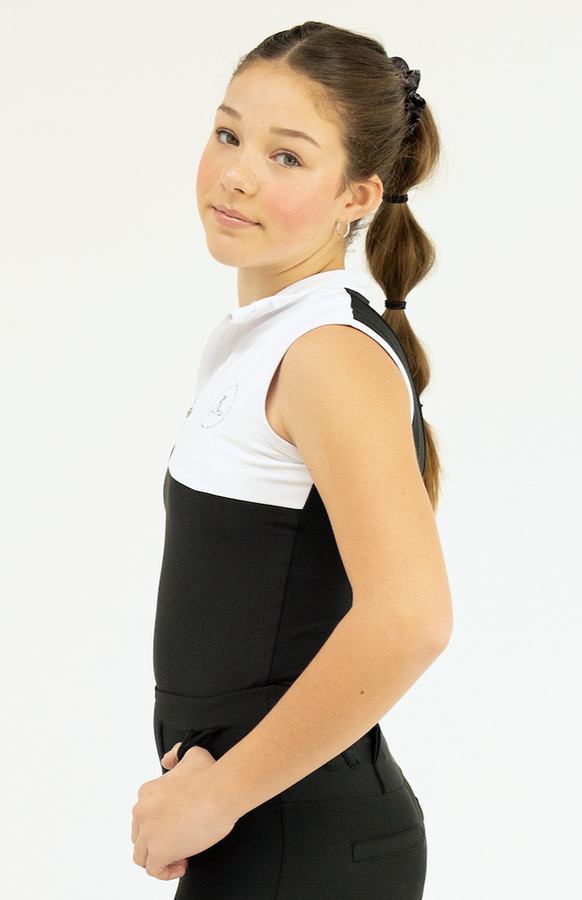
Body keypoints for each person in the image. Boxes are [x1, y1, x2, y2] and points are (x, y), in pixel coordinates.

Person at [131, 21, 453, 900]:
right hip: (267, 842)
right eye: (229, 134)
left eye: (288, 156)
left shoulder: (326, 356)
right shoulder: (262, 343)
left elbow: (411, 617)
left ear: (357, 196)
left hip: (302, 847)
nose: (237, 172)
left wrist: (212, 799)